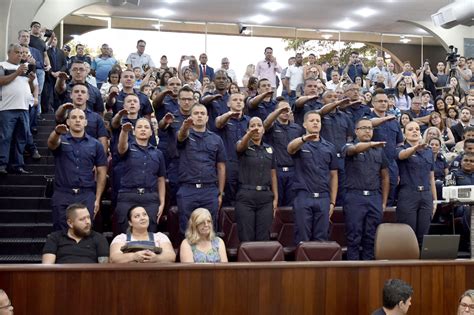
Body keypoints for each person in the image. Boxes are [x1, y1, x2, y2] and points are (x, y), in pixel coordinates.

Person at [47, 108, 107, 230]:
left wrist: (98, 198)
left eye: (81, 118)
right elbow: (51, 143)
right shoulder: (61, 140)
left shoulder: (96, 144)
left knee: (85, 232)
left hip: (86, 194)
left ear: (86, 122)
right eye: (73, 118)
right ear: (68, 122)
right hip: (63, 193)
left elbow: (102, 172)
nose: (77, 120)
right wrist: (57, 132)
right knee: (61, 232)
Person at [342, 118, 389, 260]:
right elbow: (354, 150)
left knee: (371, 238)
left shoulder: (379, 151)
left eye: (370, 128)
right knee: (354, 237)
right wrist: (370, 144)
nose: (368, 131)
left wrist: (384, 202)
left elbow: (385, 177)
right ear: (356, 131)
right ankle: (353, 272)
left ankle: (368, 272)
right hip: (355, 197)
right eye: (364, 128)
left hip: (374, 197)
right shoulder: (348, 146)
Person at [288, 111, 338, 244]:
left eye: (318, 121)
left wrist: (332, 202)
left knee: (321, 239)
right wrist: (304, 139)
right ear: (304, 124)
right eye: (312, 120)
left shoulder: (329, 147)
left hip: (323, 198)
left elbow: (333, 175)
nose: (316, 123)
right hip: (304, 196)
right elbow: (290, 149)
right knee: (302, 238)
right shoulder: (299, 144)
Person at [176, 104, 226, 234]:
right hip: (188, 189)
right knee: (187, 230)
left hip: (209, 190)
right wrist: (185, 126)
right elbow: (181, 137)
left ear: (207, 118)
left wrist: (220, 192)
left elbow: (221, 166)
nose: (199, 116)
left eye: (202, 113)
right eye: (196, 113)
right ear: (191, 117)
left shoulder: (216, 139)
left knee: (210, 229)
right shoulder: (184, 134)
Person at [115, 118, 166, 233]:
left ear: (151, 132)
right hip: (128, 196)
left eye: (146, 127)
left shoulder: (158, 153)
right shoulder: (128, 148)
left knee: (150, 233)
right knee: (125, 234)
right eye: (139, 127)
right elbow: (121, 147)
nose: (143, 129)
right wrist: (124, 132)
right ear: (134, 131)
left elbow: (161, 179)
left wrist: (162, 203)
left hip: (150, 198)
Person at [234, 116, 278, 241]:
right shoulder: (242, 144)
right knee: (246, 237)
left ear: (264, 129)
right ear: (247, 130)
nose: (256, 128)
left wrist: (276, 198)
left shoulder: (269, 149)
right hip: (246, 196)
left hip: (265, 197)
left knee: (263, 237)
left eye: (259, 125)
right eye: (252, 126)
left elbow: (273, 173)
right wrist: (249, 135)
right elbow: (240, 147)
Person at [396, 121, 437, 246]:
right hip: (408, 194)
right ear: (404, 133)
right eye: (410, 129)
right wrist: (415, 148)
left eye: (417, 129)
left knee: (423, 236)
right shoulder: (400, 148)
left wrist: (434, 200)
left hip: (425, 194)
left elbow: (431, 177)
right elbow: (402, 156)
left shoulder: (428, 151)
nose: (414, 131)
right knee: (408, 236)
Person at [0, 43, 36, 175]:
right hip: (7, 108)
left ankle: (17, 165)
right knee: (5, 137)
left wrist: (31, 80)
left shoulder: (24, 68)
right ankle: (2, 165)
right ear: (9, 53)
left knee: (21, 138)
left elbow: (30, 90)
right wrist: (17, 72)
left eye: (22, 53)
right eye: (17, 52)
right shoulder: (3, 65)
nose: (20, 55)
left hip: (24, 108)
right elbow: (1, 81)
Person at [264, 99, 304, 206]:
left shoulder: (297, 129)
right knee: (276, 204)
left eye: (288, 109)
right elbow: (266, 123)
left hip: (293, 171)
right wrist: (279, 111)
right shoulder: (271, 127)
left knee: (292, 205)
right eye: (282, 109)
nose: (285, 111)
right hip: (276, 171)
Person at [42, 203, 109, 264]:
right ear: (70, 223)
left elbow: (104, 269)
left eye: (88, 217)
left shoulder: (99, 238)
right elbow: (47, 268)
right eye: (82, 219)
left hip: (90, 276)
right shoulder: (55, 238)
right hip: (62, 276)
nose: (88, 222)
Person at [215, 92, 250, 205]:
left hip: (246, 164)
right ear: (228, 103)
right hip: (228, 164)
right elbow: (218, 123)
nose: (239, 102)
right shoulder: (224, 119)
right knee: (228, 199)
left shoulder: (249, 121)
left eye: (241, 100)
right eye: (235, 100)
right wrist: (230, 114)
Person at [55, 82, 109, 153]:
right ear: (71, 95)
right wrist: (63, 108)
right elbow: (58, 117)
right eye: (76, 91)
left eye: (83, 92)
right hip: (68, 156)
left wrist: (101, 161)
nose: (79, 94)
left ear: (88, 97)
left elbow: (103, 140)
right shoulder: (65, 114)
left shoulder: (96, 117)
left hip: (91, 157)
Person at [110, 205, 176, 263]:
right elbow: (114, 258)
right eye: (137, 216)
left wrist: (156, 258)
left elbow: (171, 256)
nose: (142, 218)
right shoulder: (120, 238)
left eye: (144, 214)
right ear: (130, 222)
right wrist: (134, 256)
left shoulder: (160, 237)